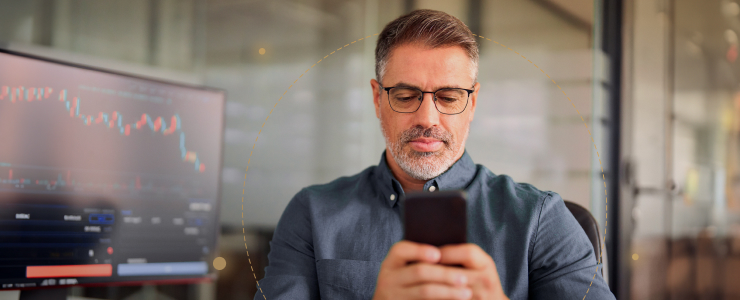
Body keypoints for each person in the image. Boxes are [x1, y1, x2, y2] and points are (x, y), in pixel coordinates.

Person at [255, 9, 615, 300]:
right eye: (406, 95)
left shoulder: (541, 219)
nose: (427, 118)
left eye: (448, 97)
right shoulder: (312, 213)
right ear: (378, 99)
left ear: (472, 102)